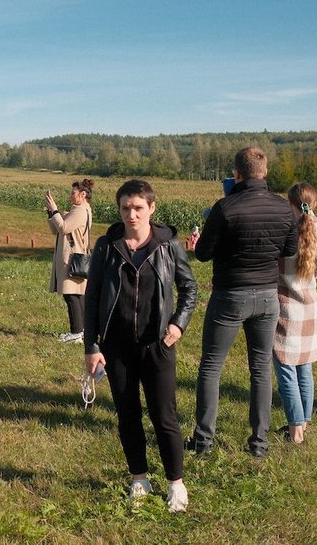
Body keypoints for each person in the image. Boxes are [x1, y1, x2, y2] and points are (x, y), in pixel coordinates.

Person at [84, 180, 197, 512]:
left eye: (138, 207)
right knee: (128, 414)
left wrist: (178, 323)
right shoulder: (107, 246)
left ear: (151, 208)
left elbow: (189, 288)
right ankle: (139, 478)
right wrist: (92, 345)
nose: (131, 214)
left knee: (165, 416)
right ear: (118, 210)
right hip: (117, 346)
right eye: (125, 208)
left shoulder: (168, 245)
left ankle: (176, 484)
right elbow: (92, 299)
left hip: (157, 344)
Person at [187, 147, 299, 458]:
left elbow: (203, 253)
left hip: (231, 295)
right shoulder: (284, 210)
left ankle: (203, 441)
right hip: (267, 296)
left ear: (236, 174)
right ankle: (259, 444)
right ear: (265, 173)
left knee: (211, 367)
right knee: (261, 369)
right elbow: (289, 251)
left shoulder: (225, 207)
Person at [273, 183, 317, 444]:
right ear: (314, 204)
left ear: (289, 203)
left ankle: (295, 428)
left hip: (286, 305)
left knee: (285, 367)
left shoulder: (284, 231)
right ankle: (304, 422)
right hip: (310, 306)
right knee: (304, 367)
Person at [45, 179, 93, 344]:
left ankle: (76, 332)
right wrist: (51, 213)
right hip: (74, 257)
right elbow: (56, 229)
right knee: (77, 295)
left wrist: (55, 210)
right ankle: (83, 331)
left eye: (73, 193)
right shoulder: (77, 210)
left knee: (71, 295)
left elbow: (64, 227)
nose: (70, 196)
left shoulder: (80, 211)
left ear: (83, 194)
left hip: (72, 258)